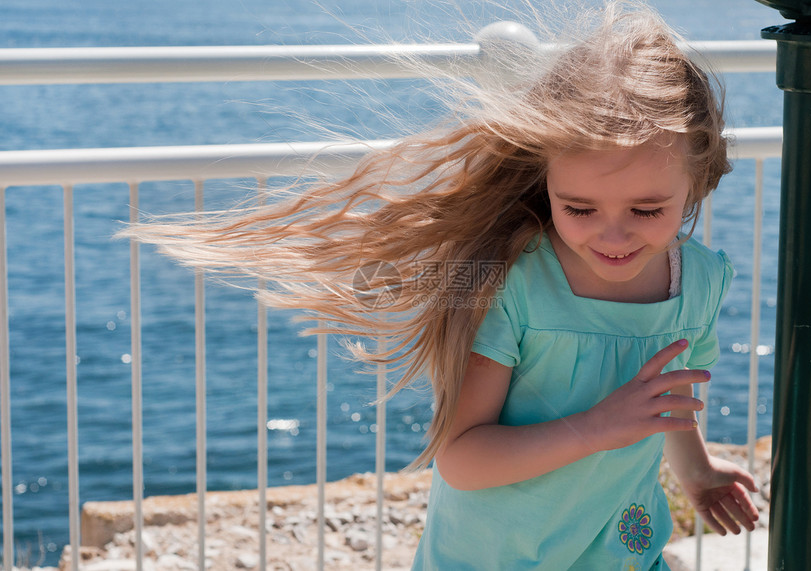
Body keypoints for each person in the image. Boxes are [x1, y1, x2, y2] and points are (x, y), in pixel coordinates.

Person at [123, 1, 759, 568]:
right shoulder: (512, 284)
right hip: (497, 555)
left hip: (619, 549)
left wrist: (697, 472)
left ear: (699, 178)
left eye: (646, 211)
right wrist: (600, 426)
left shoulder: (699, 284)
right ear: (545, 181)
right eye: (579, 209)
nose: (612, 236)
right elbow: (462, 456)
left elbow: (665, 401)